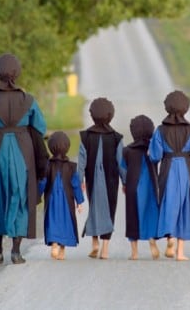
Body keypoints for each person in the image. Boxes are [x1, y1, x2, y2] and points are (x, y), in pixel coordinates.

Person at [0, 53, 48, 264]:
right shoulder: (29, 100)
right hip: (23, 150)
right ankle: (16, 251)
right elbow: (40, 128)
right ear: (17, 72)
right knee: (21, 196)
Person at [149, 90, 190, 261]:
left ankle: (170, 239)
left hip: (167, 169)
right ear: (186, 109)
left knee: (168, 203)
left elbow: (155, 156)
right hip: (187, 170)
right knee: (186, 207)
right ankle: (180, 252)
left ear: (167, 108)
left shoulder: (160, 130)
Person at [77, 97, 126, 259]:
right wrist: (125, 181)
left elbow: (81, 162)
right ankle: (105, 248)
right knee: (109, 208)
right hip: (111, 180)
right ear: (111, 115)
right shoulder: (116, 138)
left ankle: (95, 242)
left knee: (95, 207)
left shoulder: (85, 137)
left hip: (91, 179)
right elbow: (121, 163)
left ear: (91, 115)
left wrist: (80, 181)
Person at [38, 131, 84, 260]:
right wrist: (79, 202)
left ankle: (54, 244)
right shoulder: (71, 167)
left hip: (52, 200)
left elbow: (43, 181)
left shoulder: (48, 165)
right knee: (66, 222)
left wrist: (37, 195)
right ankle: (62, 250)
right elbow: (75, 185)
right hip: (67, 201)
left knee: (53, 220)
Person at [121, 115, 160, 260]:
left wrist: (124, 183)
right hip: (151, 185)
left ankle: (134, 252)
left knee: (133, 215)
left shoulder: (127, 151)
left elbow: (123, 168)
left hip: (133, 186)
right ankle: (152, 239)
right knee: (150, 212)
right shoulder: (153, 150)